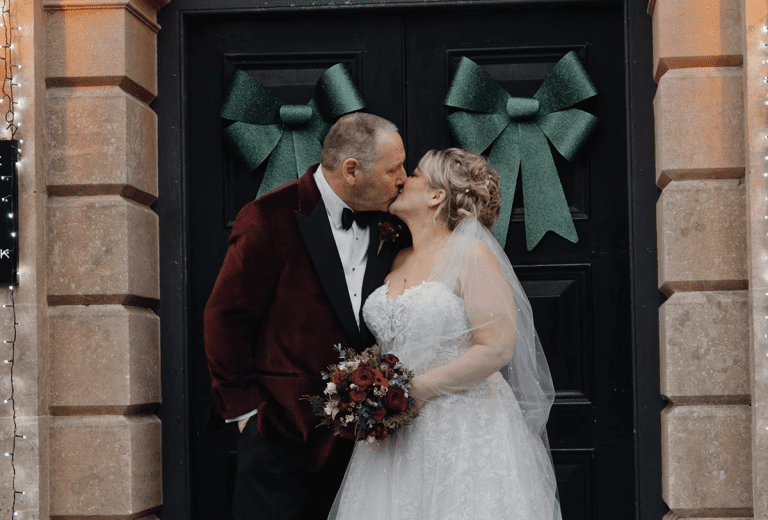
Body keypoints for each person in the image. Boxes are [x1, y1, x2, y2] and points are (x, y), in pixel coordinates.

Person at [330, 148, 562, 520]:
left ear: (437, 195)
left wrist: (416, 390)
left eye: (415, 174)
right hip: (396, 434)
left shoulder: (472, 254)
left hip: (463, 426)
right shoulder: (396, 258)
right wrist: (364, 381)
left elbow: (497, 347)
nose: (403, 180)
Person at [203, 112, 407, 520]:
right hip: (280, 440)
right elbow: (225, 318)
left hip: (364, 453)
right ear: (352, 170)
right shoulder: (268, 217)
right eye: (393, 169)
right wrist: (247, 416)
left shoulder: (394, 224)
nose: (404, 178)